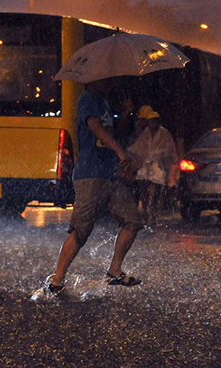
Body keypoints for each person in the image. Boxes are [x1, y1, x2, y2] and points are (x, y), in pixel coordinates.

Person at [46, 77, 144, 295]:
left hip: (109, 174)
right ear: (91, 80)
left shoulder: (103, 102)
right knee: (81, 229)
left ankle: (114, 271)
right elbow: (95, 126)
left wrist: (126, 114)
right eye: (104, 79)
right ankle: (57, 279)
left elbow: (112, 132)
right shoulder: (88, 99)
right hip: (90, 174)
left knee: (133, 221)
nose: (109, 82)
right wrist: (119, 151)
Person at [127, 111, 179, 227]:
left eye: (155, 121)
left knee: (156, 192)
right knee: (144, 190)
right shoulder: (145, 134)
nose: (153, 123)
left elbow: (169, 150)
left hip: (158, 167)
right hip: (146, 167)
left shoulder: (164, 134)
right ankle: (146, 213)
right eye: (151, 121)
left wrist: (159, 155)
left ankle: (154, 215)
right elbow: (139, 148)